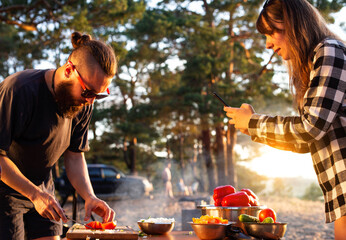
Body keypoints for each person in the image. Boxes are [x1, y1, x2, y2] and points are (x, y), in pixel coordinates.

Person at [223, 0, 346, 238]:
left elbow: (311, 128)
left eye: (271, 32)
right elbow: (308, 141)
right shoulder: (318, 60)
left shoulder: (329, 50)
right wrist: (255, 130)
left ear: (292, 23)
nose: (268, 44)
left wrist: (254, 121)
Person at [0, 32, 117, 239]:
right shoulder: (18, 90)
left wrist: (89, 196)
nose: (90, 101)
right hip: (5, 192)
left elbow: (74, 155)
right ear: (69, 70)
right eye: (88, 92)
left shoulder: (83, 104)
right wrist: (34, 194)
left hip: (45, 192)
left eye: (98, 95)